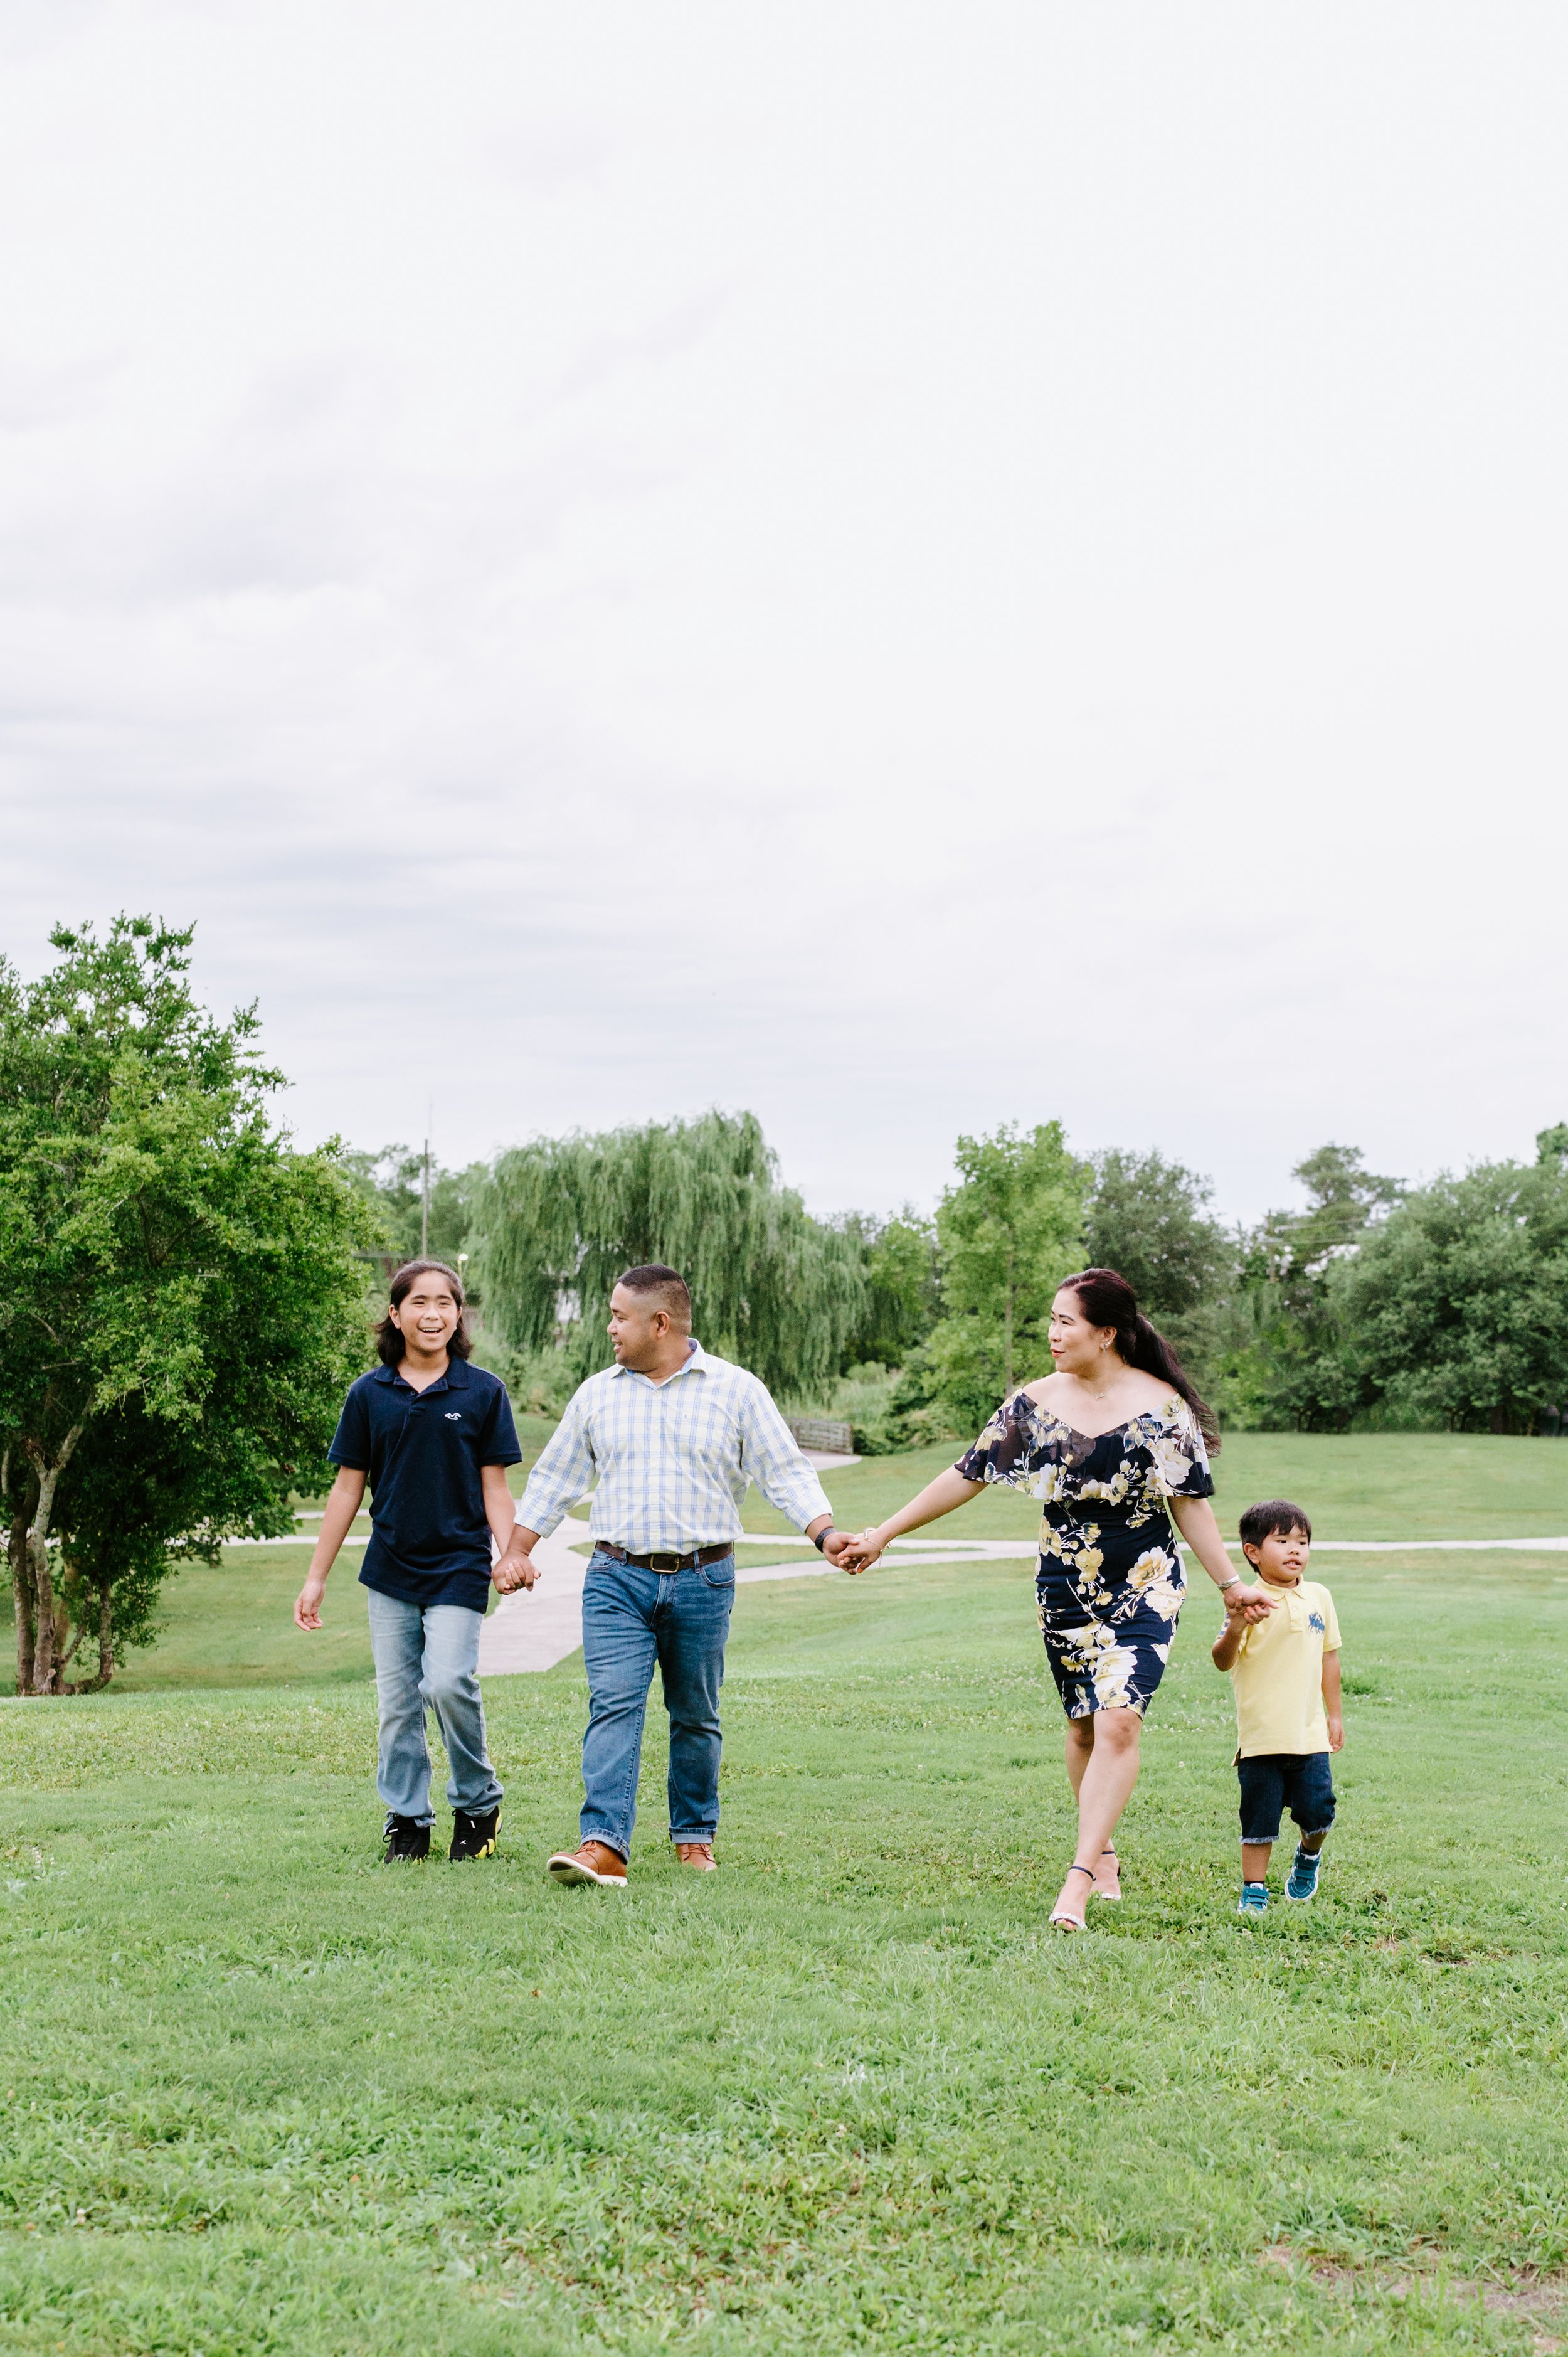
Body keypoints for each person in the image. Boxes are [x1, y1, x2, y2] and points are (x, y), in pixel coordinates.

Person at [838, 1267, 1272, 1930]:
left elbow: (1190, 1505)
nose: (1052, 1332)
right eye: (1051, 1319)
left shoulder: (1162, 1407)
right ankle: (1103, 1854)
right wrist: (883, 1533)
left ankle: (1077, 1879)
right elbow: (966, 1474)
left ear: (1106, 1332)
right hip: (1064, 1585)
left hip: (1146, 1581)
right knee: (1081, 1724)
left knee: (1119, 1719)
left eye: (1066, 1321)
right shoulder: (1031, 1405)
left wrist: (1232, 1585)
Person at [499, 1263, 853, 1886]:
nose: (608, 1327)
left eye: (618, 1316)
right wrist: (517, 1549)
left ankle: (693, 1834)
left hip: (703, 1579)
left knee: (694, 1712)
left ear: (658, 1323)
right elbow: (555, 1478)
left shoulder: (736, 1390)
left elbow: (785, 1471)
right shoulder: (597, 1394)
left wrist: (823, 1533)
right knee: (613, 1703)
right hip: (616, 1578)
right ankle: (602, 1844)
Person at [294, 1258, 532, 1863]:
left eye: (445, 1302)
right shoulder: (369, 1394)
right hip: (391, 1568)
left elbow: (495, 1489)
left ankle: (479, 1804)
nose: (433, 1313)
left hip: (458, 1565)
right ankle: (408, 1817)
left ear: (458, 1314)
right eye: (419, 1302)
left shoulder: (483, 1391)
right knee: (398, 1702)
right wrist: (316, 1578)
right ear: (396, 1315)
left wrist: (512, 1553)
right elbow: (348, 1489)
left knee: (450, 1682)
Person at [1211, 1499, 1343, 1917]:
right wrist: (1237, 1624)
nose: (1295, 1550)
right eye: (1282, 1540)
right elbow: (1222, 1659)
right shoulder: (1247, 1601)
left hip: (1309, 1735)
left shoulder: (1319, 1596)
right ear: (1253, 1552)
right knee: (1259, 1820)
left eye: (1302, 1541)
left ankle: (1308, 1855)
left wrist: (1335, 1715)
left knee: (1320, 1813)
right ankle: (1254, 1890)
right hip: (1262, 1738)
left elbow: (1329, 1658)